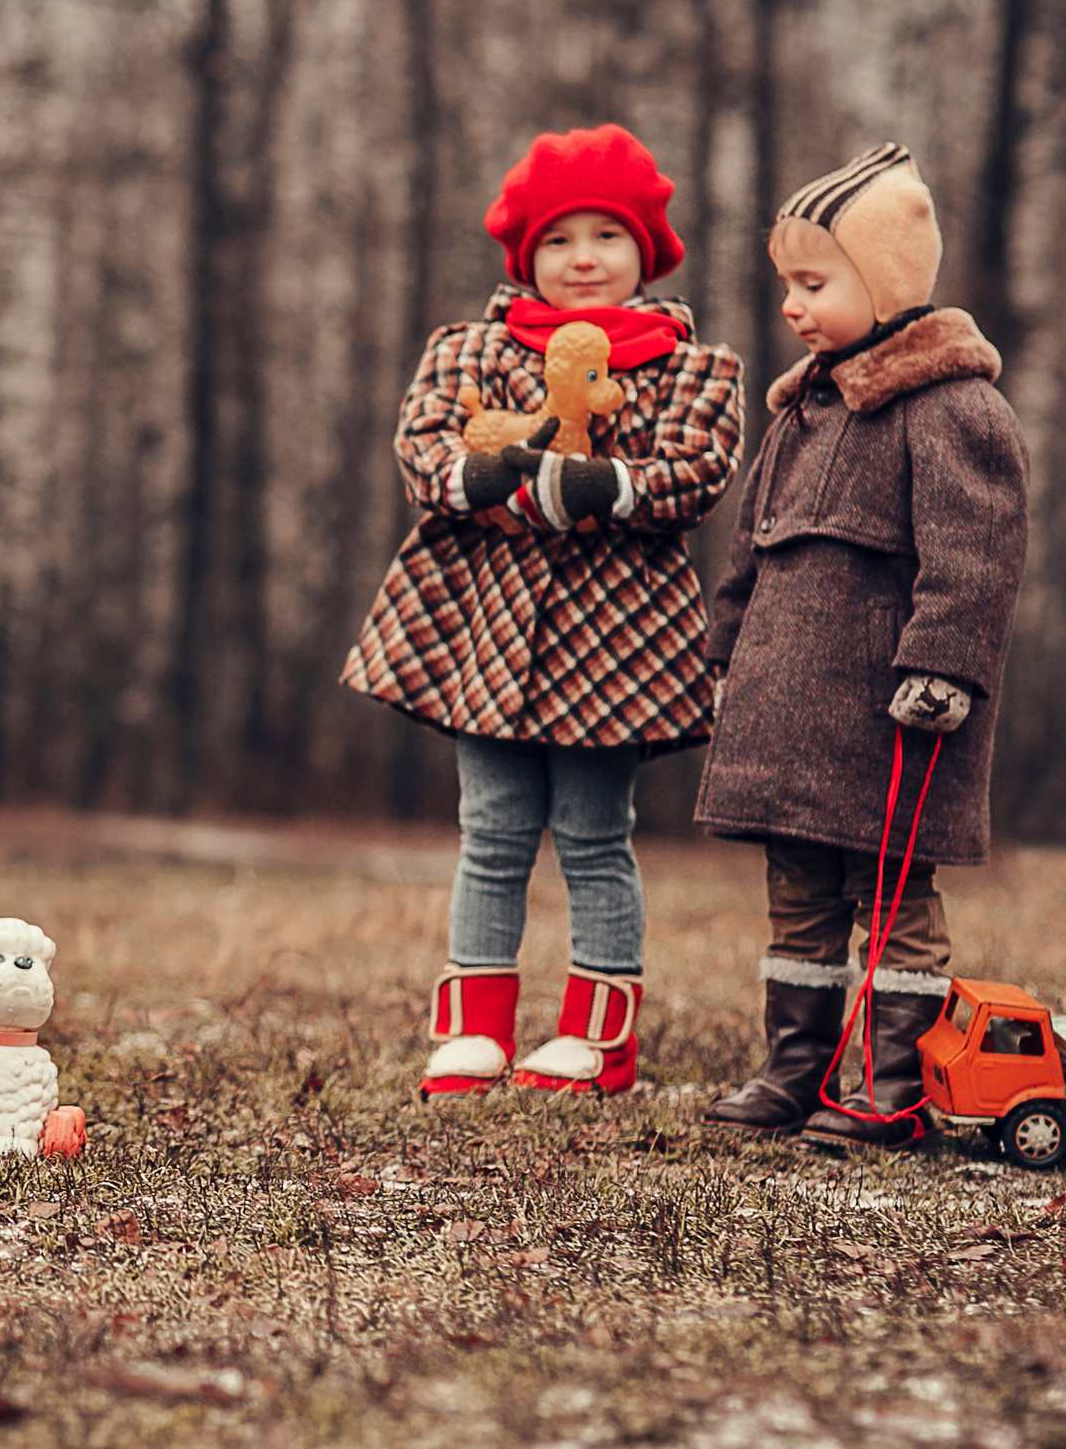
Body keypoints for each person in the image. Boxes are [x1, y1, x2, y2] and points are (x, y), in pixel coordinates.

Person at [345, 124, 744, 1098]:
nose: (582, 259)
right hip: (487, 635)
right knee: (490, 830)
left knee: (595, 833)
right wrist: (488, 475)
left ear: (645, 251)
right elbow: (425, 455)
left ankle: (596, 1038)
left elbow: (693, 472)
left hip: (616, 647)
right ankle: (472, 1030)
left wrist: (591, 488)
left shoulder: (694, 369)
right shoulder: (467, 353)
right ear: (526, 255)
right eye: (559, 240)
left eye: (606, 235)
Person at [695, 144, 1028, 1151]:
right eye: (785, 285)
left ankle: (890, 1089)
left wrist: (944, 664)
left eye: (813, 281)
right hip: (784, 718)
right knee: (797, 898)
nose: (793, 306)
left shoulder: (950, 409)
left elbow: (976, 555)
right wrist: (724, 651)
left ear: (881, 280)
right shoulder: (803, 409)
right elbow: (751, 548)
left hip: (889, 715)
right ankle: (791, 1073)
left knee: (888, 896)